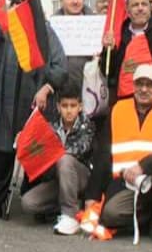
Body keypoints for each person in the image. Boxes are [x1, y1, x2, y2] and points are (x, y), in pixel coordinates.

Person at [0, 0, 67, 220]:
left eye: (22, 3)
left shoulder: (45, 32)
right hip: (2, 102)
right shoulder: (4, 28)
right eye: (14, 3)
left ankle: (38, 204)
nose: (17, 7)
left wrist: (46, 88)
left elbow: (60, 68)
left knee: (35, 154)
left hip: (32, 103)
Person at [85, 64, 152, 246]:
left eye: (150, 84)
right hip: (127, 184)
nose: (144, 89)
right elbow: (103, 154)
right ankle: (147, 217)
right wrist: (91, 197)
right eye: (140, 84)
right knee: (109, 215)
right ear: (133, 85)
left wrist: (144, 165)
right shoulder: (117, 109)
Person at [20, 82, 96, 235]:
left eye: (73, 106)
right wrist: (24, 140)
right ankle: (70, 205)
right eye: (65, 106)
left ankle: (71, 216)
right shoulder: (52, 126)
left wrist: (52, 153)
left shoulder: (87, 125)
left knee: (65, 159)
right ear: (58, 107)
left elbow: (80, 150)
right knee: (28, 203)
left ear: (80, 106)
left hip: (82, 177)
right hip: (58, 179)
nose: (69, 110)